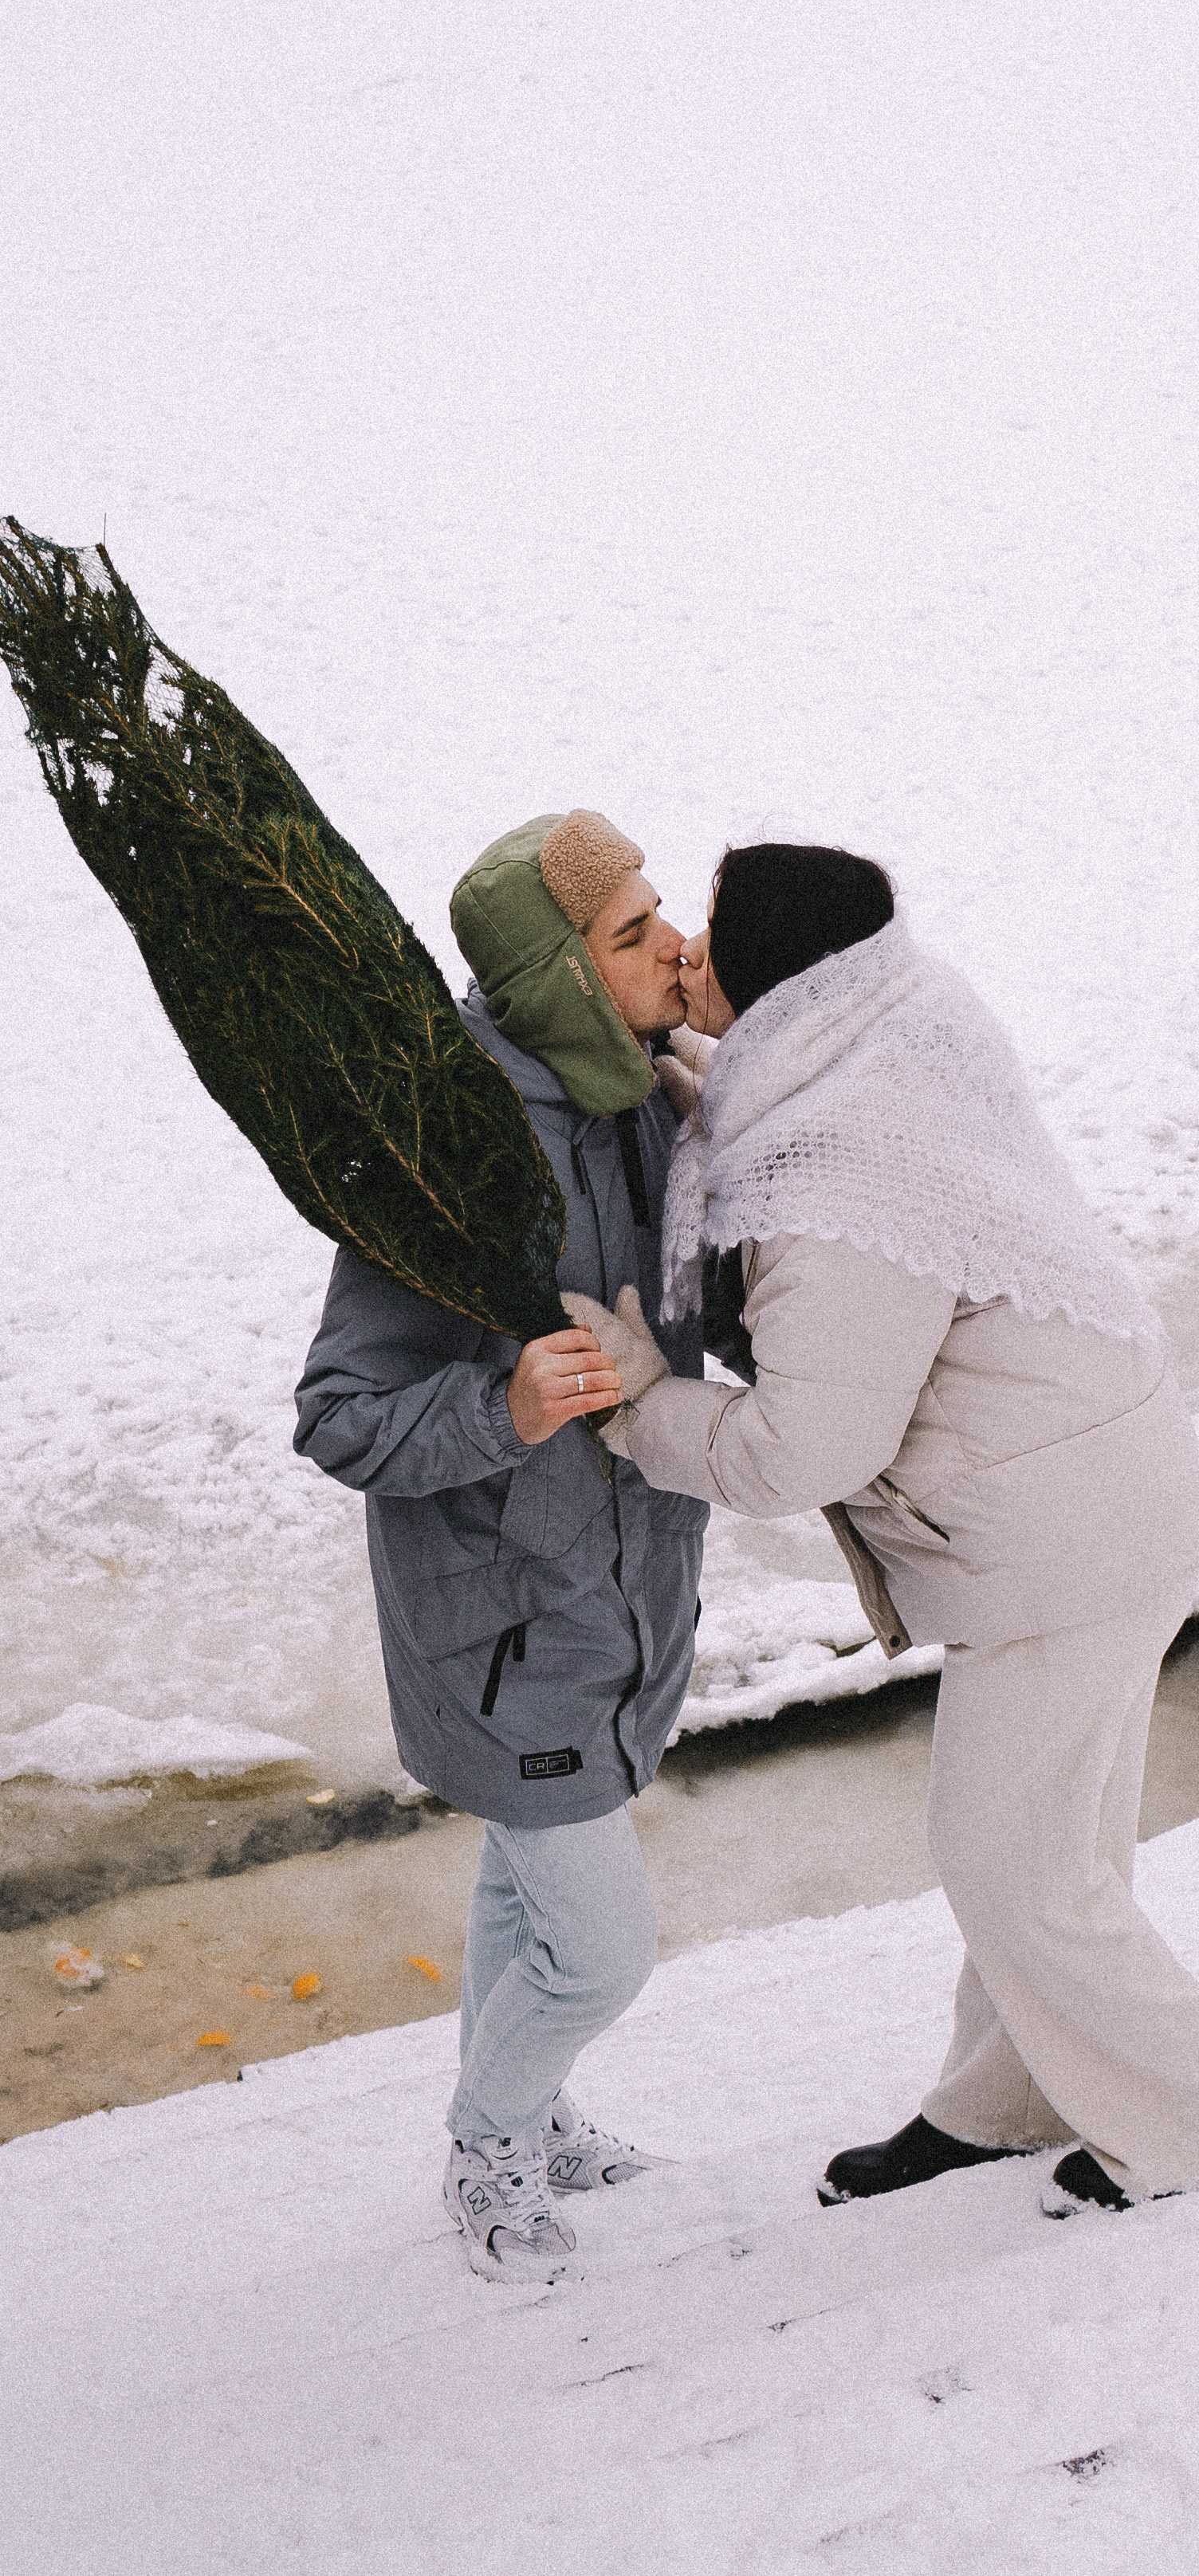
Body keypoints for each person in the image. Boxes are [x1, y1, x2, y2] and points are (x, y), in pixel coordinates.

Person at [586, 842, 1199, 2215]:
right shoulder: (888, 1022)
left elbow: (801, 1447)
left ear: (787, 985)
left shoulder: (842, 1186)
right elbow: (766, 1112)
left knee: (1011, 1861)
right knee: (1048, 1852)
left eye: (709, 935)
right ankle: (1012, 2099)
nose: (684, 950)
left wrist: (639, 1400)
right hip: (1090, 1485)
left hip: (1060, 1542)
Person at [294, 808, 710, 2282]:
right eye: (630, 932)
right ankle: (491, 2138)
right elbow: (340, 1414)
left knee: (515, 1890)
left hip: (620, 1589)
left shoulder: (643, 1095)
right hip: (503, 1623)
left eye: (660, 909)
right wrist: (505, 1401)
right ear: (552, 980)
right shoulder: (447, 1153)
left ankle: (530, 2117)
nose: (673, 941)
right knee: (598, 1949)